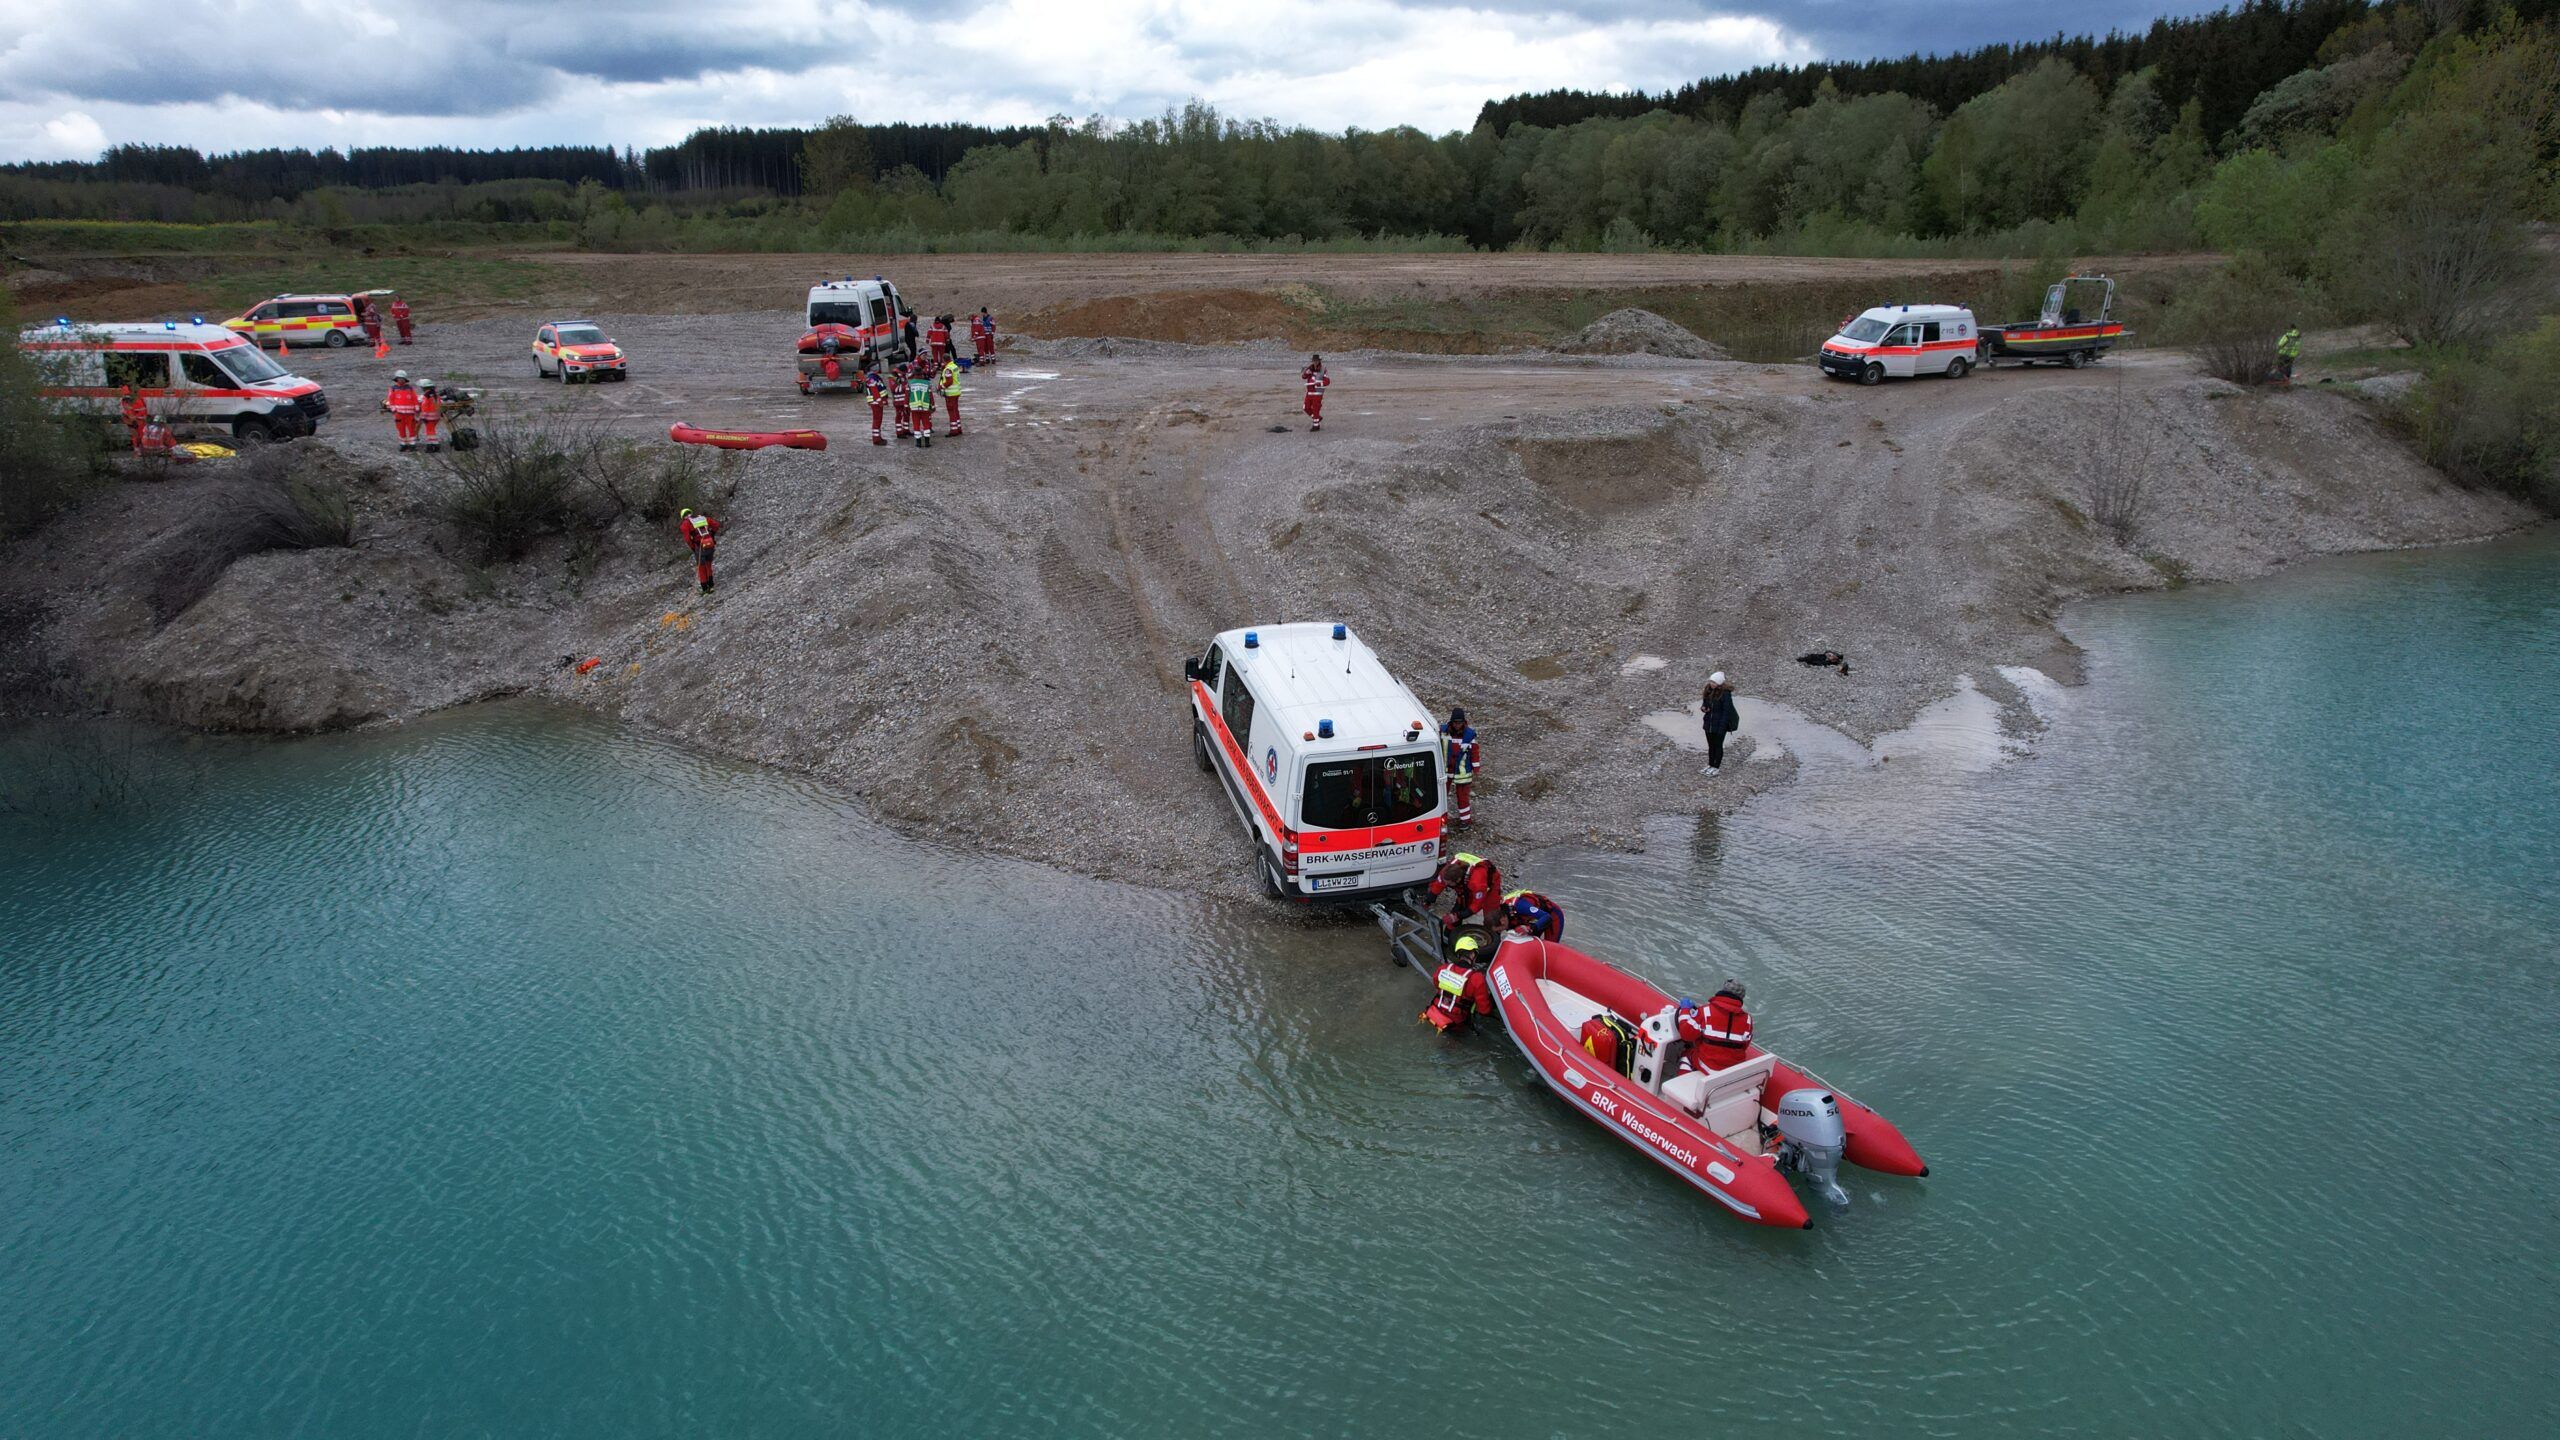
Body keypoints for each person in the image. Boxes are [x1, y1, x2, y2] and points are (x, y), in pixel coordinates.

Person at [1671, 982, 1753, 1074]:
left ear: (1723, 991)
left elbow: (1686, 1035)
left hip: (1710, 1066)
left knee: (1687, 1056)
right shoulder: (1748, 1019)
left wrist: (1685, 1010)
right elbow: (1744, 1045)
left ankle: (1684, 1083)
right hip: (1733, 1069)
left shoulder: (1706, 1011)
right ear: (1741, 998)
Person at [1422, 934, 1495, 1033]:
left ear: (1458, 954)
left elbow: (1436, 983)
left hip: (1436, 1011)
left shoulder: (1443, 968)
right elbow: (1484, 1009)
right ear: (1473, 955)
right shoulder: (1476, 978)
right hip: (1456, 1021)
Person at [1428, 851, 1503, 946]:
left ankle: (1493, 942)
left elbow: (1476, 905)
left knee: (1491, 916)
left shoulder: (1477, 883)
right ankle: (1448, 939)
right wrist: (1429, 900)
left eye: (1449, 884)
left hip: (1491, 884)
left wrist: (1458, 915)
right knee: (1459, 907)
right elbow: (1438, 885)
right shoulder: (1446, 873)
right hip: (1466, 881)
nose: (1446, 885)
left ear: (1458, 880)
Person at [1440, 706, 1479, 825]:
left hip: (1462, 773)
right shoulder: (1443, 731)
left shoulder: (1469, 735)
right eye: (1455, 722)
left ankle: (1465, 821)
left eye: (1460, 722)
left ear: (1463, 722)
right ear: (1451, 722)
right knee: (1441, 797)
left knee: (1463, 798)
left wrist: (1476, 768)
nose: (1457, 725)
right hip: (1445, 771)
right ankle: (1441, 820)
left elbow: (1475, 753)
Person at [1700, 671, 1738, 775]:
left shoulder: (1725, 694)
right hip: (1709, 723)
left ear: (1719, 683)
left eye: (1714, 682)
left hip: (1720, 725)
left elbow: (1726, 712)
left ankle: (1716, 767)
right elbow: (1705, 703)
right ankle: (1710, 764)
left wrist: (1722, 728)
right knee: (1711, 745)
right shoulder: (1708, 690)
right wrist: (1704, 709)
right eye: (1711, 681)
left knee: (1718, 745)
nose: (1712, 684)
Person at [678, 506, 722, 594]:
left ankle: (705, 589)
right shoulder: (702, 518)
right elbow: (716, 525)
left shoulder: (685, 524)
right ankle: (711, 586)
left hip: (699, 546)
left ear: (683, 517)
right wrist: (711, 535)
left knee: (701, 567)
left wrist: (693, 547)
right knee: (708, 564)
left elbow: (687, 539)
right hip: (710, 544)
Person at [383, 370, 421, 452]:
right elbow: (391, 399)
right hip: (399, 413)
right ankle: (403, 445)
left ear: (405, 379)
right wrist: (393, 409)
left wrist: (417, 408)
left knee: (412, 429)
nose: (401, 380)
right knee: (401, 429)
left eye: (402, 378)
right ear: (396, 379)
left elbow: (415, 398)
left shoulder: (410, 388)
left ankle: (412, 445)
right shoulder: (393, 389)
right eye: (399, 378)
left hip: (410, 413)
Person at [905, 363, 935, 446]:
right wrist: (933, 406)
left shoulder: (910, 383)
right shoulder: (927, 383)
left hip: (914, 408)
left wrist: (906, 406)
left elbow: (907, 396)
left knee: (916, 424)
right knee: (926, 424)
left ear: (914, 374)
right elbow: (930, 395)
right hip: (925, 407)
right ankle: (927, 442)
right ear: (922, 373)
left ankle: (918, 443)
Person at [863, 363, 891, 446]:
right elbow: (875, 391)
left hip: (877, 402)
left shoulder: (874, 377)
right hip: (876, 403)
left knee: (879, 420)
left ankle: (878, 437)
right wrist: (880, 401)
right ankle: (876, 439)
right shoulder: (872, 378)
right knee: (877, 420)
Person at [1301, 354, 1329, 431]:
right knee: (1306, 407)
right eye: (1314, 361)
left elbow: (1327, 381)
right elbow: (1303, 377)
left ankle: (1316, 426)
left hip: (1318, 392)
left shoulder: (1323, 369)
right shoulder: (1309, 368)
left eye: (1316, 361)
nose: (1315, 362)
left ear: (1319, 361)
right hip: (1309, 391)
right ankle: (1317, 418)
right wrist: (1307, 372)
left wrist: (1319, 384)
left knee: (1316, 409)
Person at [939, 357, 965, 437]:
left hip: (950, 393)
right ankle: (958, 427)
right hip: (956, 392)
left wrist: (941, 387)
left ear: (944, 361)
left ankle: (954, 430)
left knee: (951, 411)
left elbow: (949, 381)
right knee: (956, 410)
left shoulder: (948, 369)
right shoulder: (954, 366)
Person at [416, 378, 444, 453]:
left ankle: (433, 445)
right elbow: (440, 404)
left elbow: (425, 407)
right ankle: (433, 445)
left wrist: (423, 417)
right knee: (431, 430)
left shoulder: (426, 396)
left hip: (429, 417)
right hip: (436, 416)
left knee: (430, 431)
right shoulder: (436, 395)